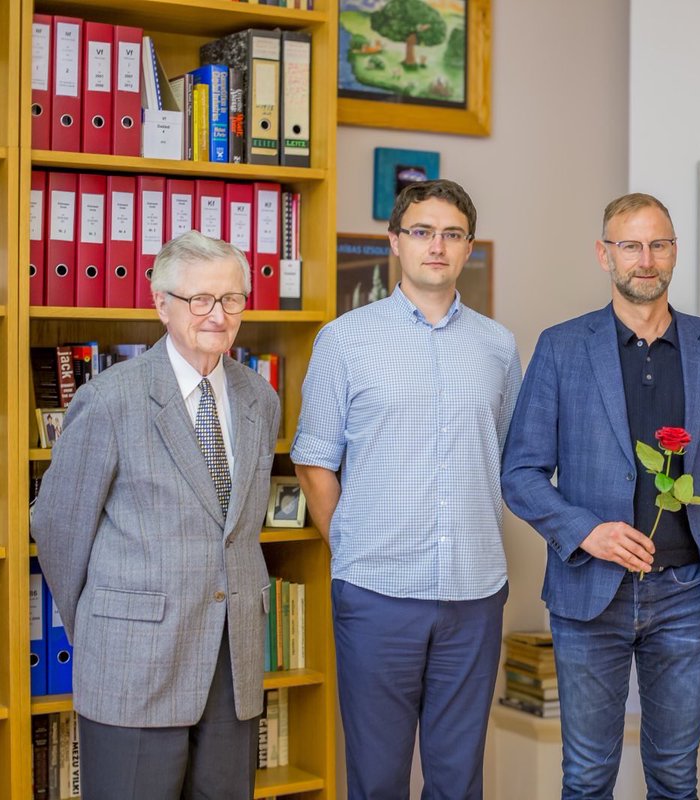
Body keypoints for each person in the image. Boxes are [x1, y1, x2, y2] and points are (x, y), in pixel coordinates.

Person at [501, 192, 700, 798]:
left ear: (674, 252)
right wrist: (587, 530)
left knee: (675, 777)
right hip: (590, 595)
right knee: (587, 779)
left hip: (687, 596)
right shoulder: (562, 347)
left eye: (659, 244)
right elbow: (520, 472)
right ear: (604, 254)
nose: (646, 259)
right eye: (631, 246)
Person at [292, 179, 521, 799]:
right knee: (377, 777)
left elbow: (508, 461)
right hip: (376, 594)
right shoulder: (344, 340)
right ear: (396, 242)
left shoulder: (498, 348)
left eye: (451, 234)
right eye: (422, 232)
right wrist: (352, 549)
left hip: (473, 594)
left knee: (456, 778)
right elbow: (314, 462)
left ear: (468, 247)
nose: (436, 246)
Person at [31, 231, 281, 798]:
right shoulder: (112, 398)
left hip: (232, 663)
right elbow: (59, 528)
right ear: (161, 304)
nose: (217, 315)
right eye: (200, 299)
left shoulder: (258, 398)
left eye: (232, 299)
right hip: (134, 664)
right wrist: (105, 625)